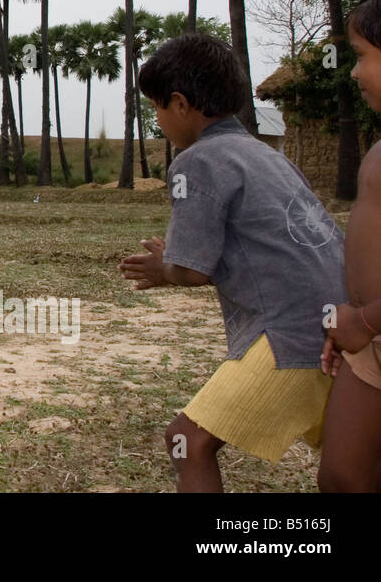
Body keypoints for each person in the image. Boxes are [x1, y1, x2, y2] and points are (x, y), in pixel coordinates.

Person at [118, 34, 346, 492]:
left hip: (289, 333)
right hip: (338, 326)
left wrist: (166, 269)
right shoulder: (267, 155)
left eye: (157, 108)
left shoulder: (196, 161)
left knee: (188, 439)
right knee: (350, 469)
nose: (158, 120)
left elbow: (193, 269)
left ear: (179, 104)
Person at [319, 0, 381, 492]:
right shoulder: (379, 148)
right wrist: (352, 321)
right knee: (342, 476)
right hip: (365, 341)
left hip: (369, 324)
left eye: (362, 57)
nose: (355, 74)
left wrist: (364, 319)